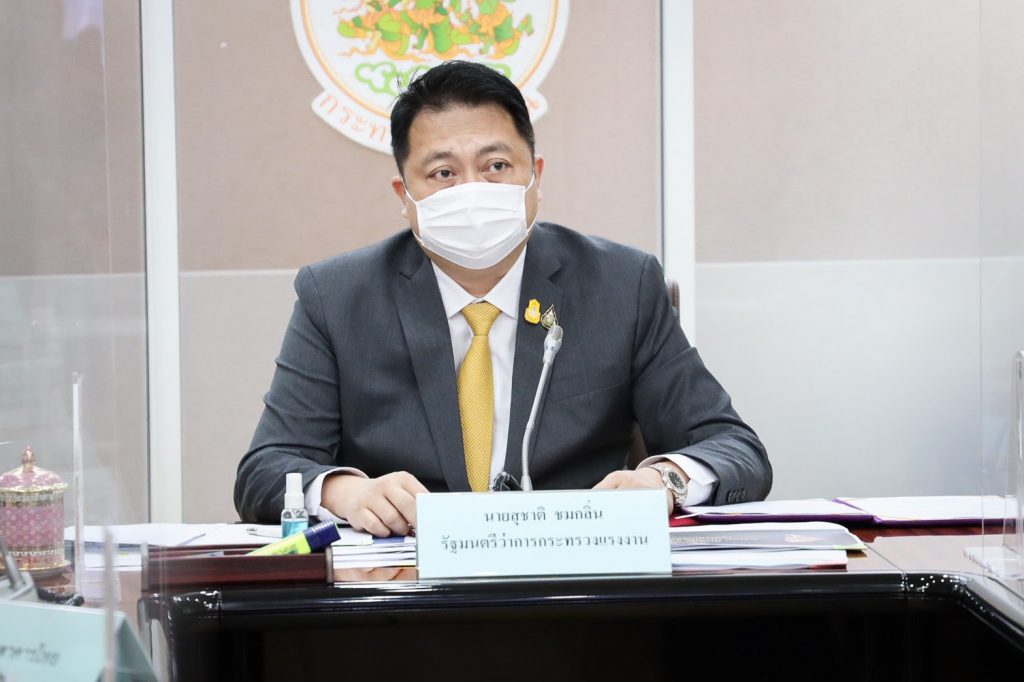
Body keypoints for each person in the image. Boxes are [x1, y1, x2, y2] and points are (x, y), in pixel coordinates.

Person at [234, 60, 771, 535]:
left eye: (496, 166)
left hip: (575, 586)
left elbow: (734, 448)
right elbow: (266, 468)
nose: (473, 190)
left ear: (535, 176)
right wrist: (345, 492)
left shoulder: (619, 285)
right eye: (443, 173)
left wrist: (665, 480)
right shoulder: (338, 297)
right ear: (405, 195)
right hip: (407, 588)